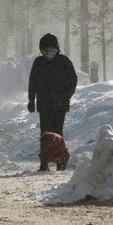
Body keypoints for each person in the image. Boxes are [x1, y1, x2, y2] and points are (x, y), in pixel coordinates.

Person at [27, 33, 77, 171]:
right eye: (46, 48)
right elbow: (33, 82)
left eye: (52, 48)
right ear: (42, 49)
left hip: (60, 104)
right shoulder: (38, 62)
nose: (49, 51)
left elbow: (72, 79)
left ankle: (60, 160)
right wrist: (31, 100)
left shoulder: (64, 61)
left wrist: (66, 95)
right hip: (44, 104)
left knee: (57, 133)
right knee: (45, 133)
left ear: (56, 47)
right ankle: (44, 162)